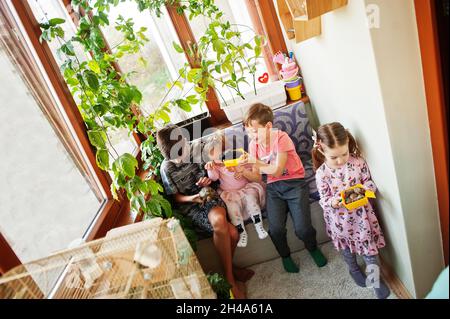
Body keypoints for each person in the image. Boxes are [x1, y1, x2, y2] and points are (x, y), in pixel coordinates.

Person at [157, 124, 253, 299]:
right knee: (232, 233)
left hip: (208, 195)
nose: (179, 161)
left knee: (220, 223)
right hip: (189, 205)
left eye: (181, 155)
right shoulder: (166, 168)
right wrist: (191, 198)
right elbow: (176, 197)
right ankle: (231, 276)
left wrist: (206, 181)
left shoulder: (196, 148)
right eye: (175, 159)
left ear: (184, 142)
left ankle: (229, 277)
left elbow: (216, 142)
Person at [240, 103, 327, 273]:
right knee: (275, 230)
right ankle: (285, 256)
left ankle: (312, 247)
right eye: (248, 131)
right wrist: (242, 170)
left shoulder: (281, 138)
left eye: (255, 131)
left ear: (268, 126)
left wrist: (255, 162)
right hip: (274, 188)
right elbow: (257, 177)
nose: (251, 136)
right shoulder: (253, 146)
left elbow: (278, 170)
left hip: (294, 184)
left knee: (302, 229)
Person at [312, 122, 390, 299]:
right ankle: (353, 269)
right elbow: (324, 200)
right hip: (340, 222)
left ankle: (376, 282)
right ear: (322, 150)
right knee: (347, 251)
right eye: (334, 157)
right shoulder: (322, 174)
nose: (340, 160)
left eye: (344, 154)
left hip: (362, 219)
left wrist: (362, 190)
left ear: (347, 142)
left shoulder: (358, 163)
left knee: (370, 253)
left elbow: (370, 183)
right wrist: (334, 202)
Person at [204, 133, 268, 247]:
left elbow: (250, 169)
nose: (219, 160)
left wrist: (241, 170)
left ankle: (259, 225)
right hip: (230, 193)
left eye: (220, 156)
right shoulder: (216, 165)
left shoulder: (237, 156)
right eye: (214, 157)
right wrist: (211, 168)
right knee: (233, 209)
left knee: (251, 200)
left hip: (246, 188)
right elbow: (213, 178)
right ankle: (241, 232)